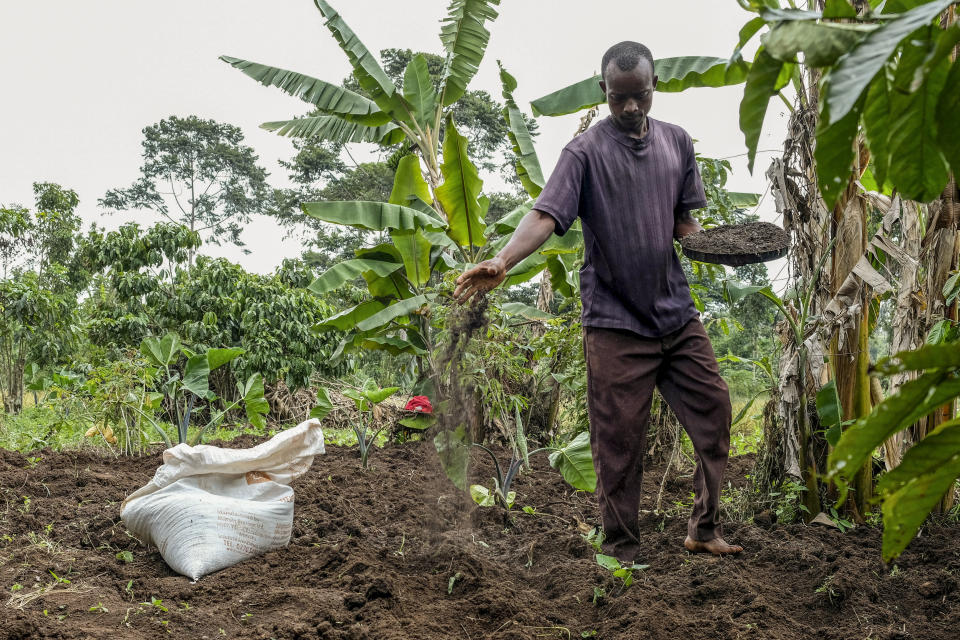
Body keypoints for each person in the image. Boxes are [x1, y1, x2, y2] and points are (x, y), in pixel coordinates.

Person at [454, 41, 743, 561]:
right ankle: (621, 549)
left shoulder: (677, 143)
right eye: (618, 98)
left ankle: (703, 527)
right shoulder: (584, 152)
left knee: (716, 412)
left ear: (654, 88)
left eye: (640, 96)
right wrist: (503, 260)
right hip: (614, 323)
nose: (631, 108)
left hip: (675, 315)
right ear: (602, 91)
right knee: (618, 444)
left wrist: (715, 245)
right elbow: (545, 215)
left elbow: (682, 221)